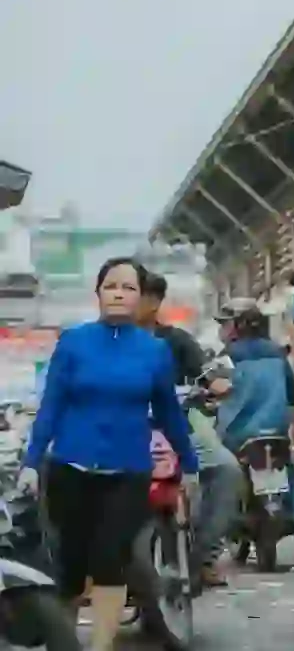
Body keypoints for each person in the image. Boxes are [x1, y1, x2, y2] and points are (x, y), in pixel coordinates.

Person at [18, 257, 201, 651]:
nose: (119, 293)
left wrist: (190, 462)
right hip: (69, 467)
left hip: (129, 472)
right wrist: (31, 462)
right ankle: (63, 643)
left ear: (140, 298)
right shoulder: (73, 342)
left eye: (129, 287)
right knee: (69, 567)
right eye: (111, 286)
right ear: (98, 293)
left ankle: (101, 646)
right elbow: (51, 406)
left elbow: (168, 410)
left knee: (110, 561)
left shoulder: (154, 352)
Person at [136, 272, 243, 588]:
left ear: (154, 301)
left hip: (179, 419)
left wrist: (217, 383)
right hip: (124, 423)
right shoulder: (106, 340)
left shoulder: (177, 340)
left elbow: (205, 372)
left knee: (227, 470)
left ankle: (204, 556)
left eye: (136, 292)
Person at [214, 300, 294, 563]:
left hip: (237, 434)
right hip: (275, 433)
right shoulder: (277, 354)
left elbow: (213, 393)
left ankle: (215, 537)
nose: (222, 329)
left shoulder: (225, 358)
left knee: (219, 473)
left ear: (237, 326)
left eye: (225, 323)